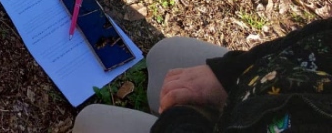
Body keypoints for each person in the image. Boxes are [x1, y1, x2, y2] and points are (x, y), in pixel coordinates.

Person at [73, 18, 332, 132]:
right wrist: (227, 74)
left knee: (93, 122)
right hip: (259, 99)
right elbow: (317, 40)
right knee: (166, 55)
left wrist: (183, 116)